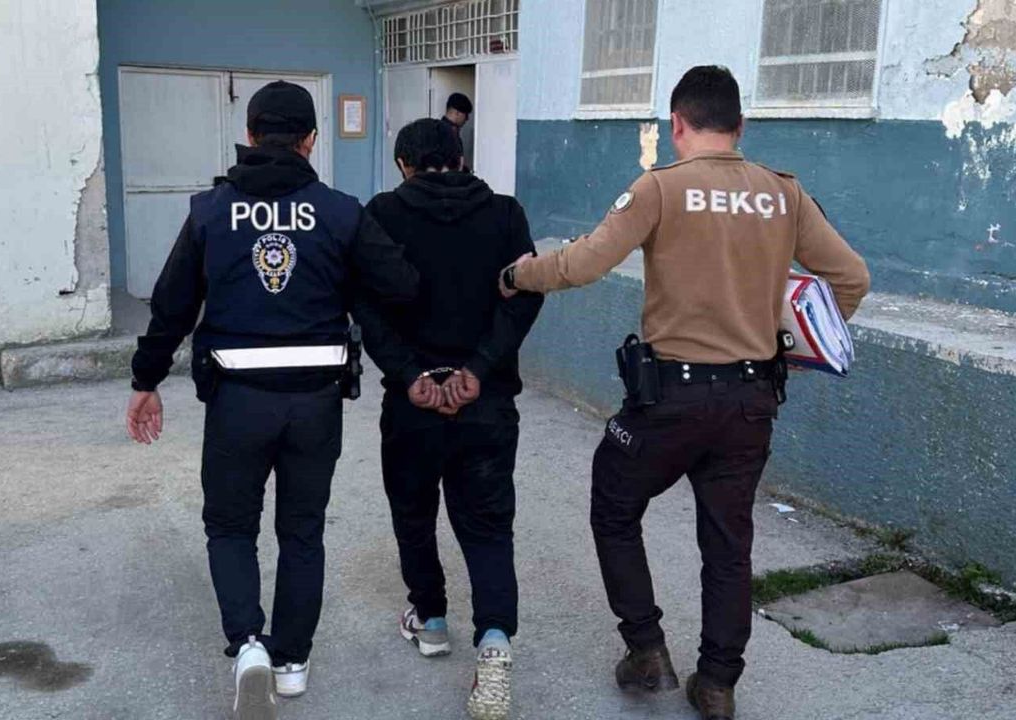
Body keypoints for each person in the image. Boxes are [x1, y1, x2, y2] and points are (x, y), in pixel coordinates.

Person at [498, 66, 870, 720]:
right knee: (729, 542)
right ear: (740, 126)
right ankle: (718, 683)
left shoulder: (661, 188)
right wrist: (793, 346)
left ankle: (646, 649)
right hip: (751, 401)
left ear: (676, 124)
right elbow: (851, 278)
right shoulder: (783, 193)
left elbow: (583, 263)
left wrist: (517, 276)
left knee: (614, 504)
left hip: (671, 400)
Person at [126, 80, 419, 720]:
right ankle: (291, 663)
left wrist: (146, 381)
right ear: (311, 140)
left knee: (231, 527)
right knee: (302, 532)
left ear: (251, 134)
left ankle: (248, 646)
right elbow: (400, 284)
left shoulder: (211, 211)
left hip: (237, 401)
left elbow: (172, 305)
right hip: (315, 402)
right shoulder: (340, 212)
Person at [353, 118, 543, 720]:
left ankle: (431, 619)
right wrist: (478, 371)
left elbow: (366, 306)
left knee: (413, 512)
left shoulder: (382, 213)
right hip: (485, 401)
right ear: (459, 159)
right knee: (488, 525)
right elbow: (525, 296)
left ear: (403, 165)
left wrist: (411, 375)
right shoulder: (506, 214)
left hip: (412, 404)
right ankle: (495, 643)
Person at [442, 92, 473, 170]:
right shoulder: (444, 133)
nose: (467, 119)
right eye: (466, 115)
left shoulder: (451, 132)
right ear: (457, 113)